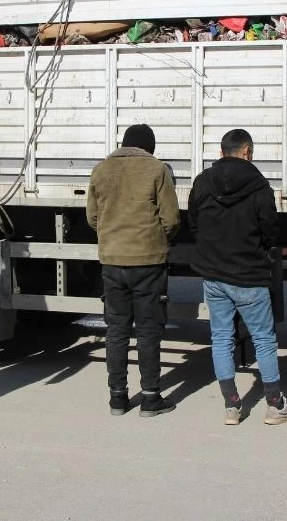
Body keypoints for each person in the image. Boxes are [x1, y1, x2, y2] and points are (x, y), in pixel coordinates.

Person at [189, 129, 287, 426]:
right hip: (250, 275)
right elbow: (270, 230)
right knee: (264, 339)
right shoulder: (259, 185)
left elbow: (194, 224)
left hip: (214, 276)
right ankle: (275, 406)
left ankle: (231, 406)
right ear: (246, 151)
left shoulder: (202, 182)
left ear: (221, 151)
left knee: (221, 338)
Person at [87, 124, 181, 417]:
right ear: (148, 147)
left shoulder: (100, 170)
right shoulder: (157, 170)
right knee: (148, 331)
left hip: (112, 261)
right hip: (149, 261)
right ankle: (151, 398)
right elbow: (171, 218)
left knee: (116, 331)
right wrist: (158, 239)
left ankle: (118, 398)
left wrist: (111, 237)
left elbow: (92, 217)